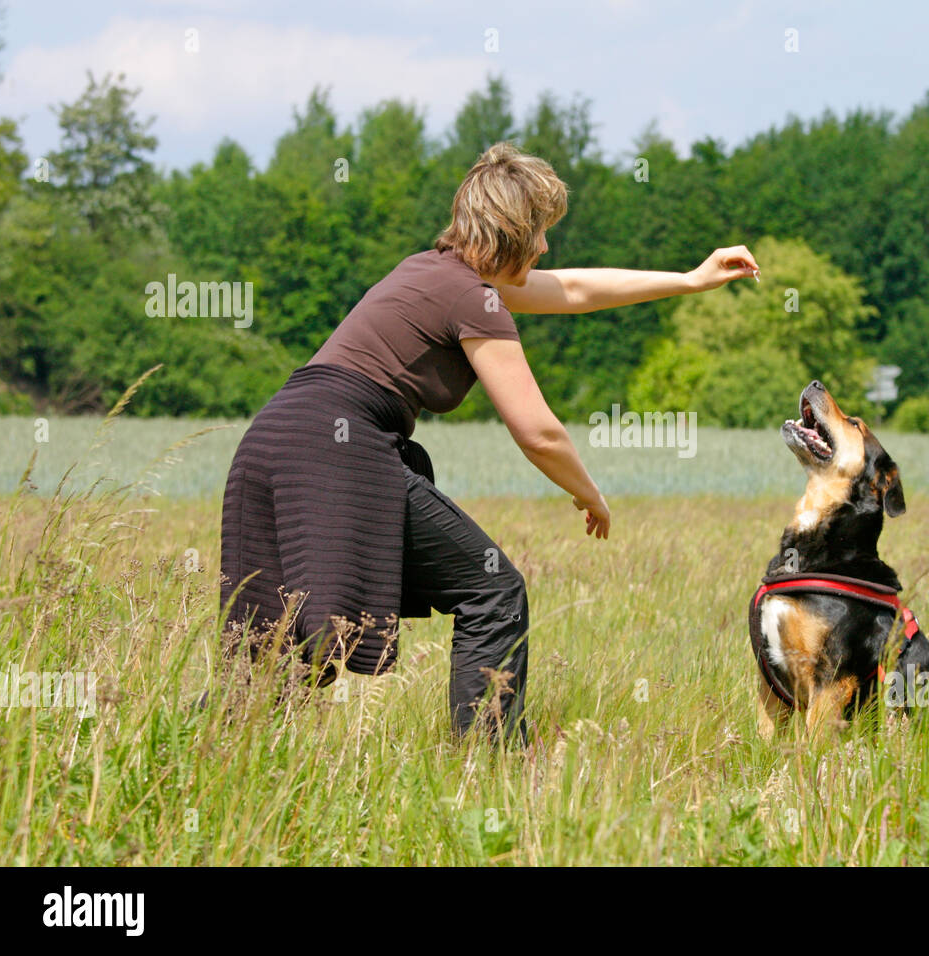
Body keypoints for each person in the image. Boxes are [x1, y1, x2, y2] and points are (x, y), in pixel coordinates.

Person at [218, 141, 759, 745]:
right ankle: (489, 765)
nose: (548, 248)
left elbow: (575, 290)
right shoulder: (471, 296)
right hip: (333, 445)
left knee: (266, 638)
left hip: (273, 440)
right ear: (512, 232)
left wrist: (691, 279)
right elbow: (539, 432)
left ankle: (219, 758)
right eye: (542, 233)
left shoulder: (431, 272)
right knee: (491, 587)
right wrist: (589, 494)